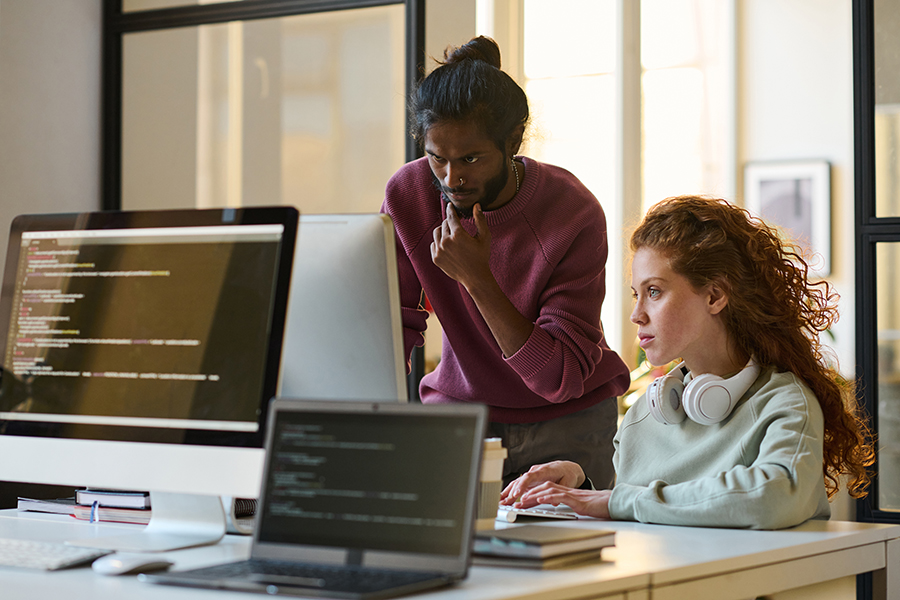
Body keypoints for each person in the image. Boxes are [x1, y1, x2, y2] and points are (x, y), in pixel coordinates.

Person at [500, 195, 874, 529]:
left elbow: (771, 498)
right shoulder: (646, 414)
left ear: (714, 296)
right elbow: (641, 512)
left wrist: (616, 501)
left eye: (654, 292)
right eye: (636, 294)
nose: (637, 315)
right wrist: (581, 485)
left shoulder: (785, 404)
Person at [380, 36, 629, 488]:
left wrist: (477, 279)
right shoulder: (409, 195)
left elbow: (560, 377)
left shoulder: (571, 211)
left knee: (565, 558)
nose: (452, 178)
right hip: (463, 416)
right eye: (438, 158)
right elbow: (389, 326)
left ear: (513, 140)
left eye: (471, 159)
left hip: (569, 421)